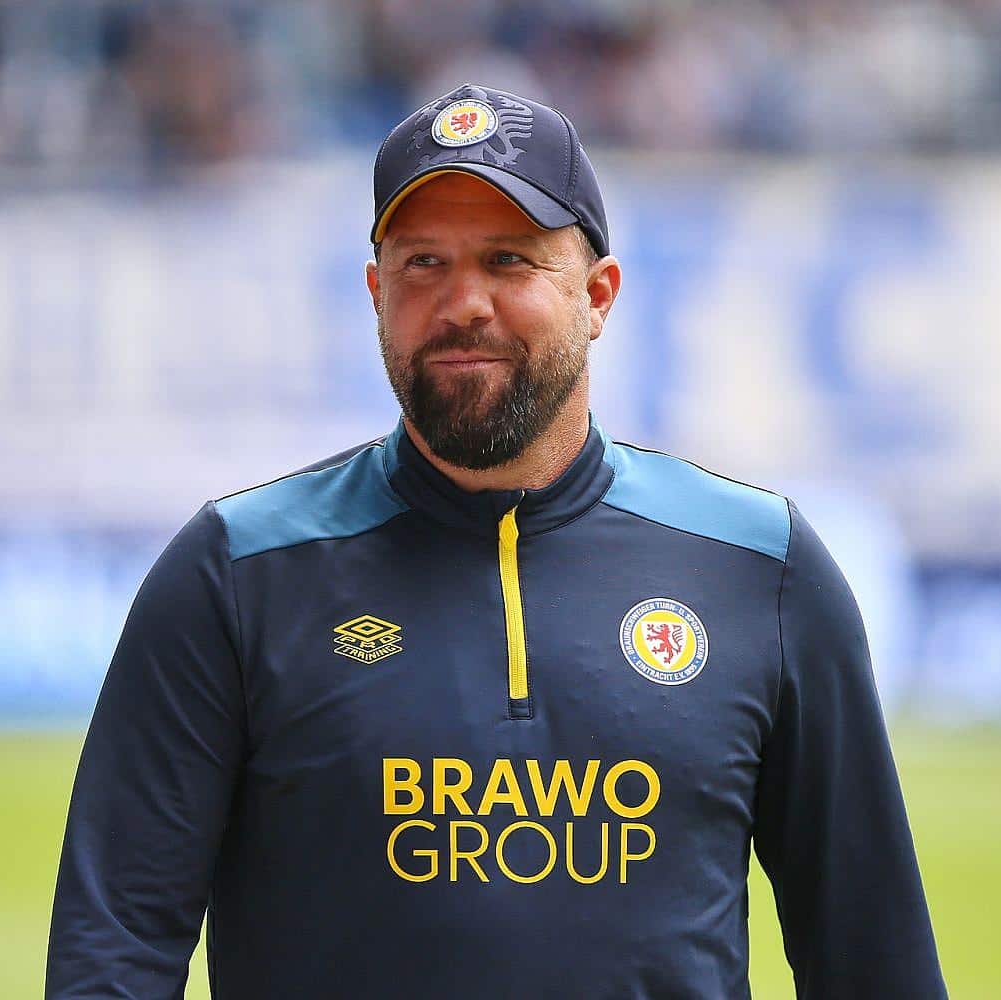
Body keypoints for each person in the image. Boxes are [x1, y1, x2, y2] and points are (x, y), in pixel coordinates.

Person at [46, 83, 946, 999]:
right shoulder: (238, 571)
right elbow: (112, 952)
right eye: (423, 263)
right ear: (377, 294)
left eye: (509, 260)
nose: (463, 302)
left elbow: (874, 961)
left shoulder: (759, 566)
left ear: (597, 295)